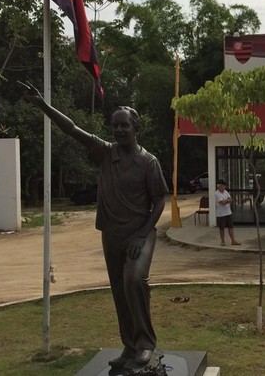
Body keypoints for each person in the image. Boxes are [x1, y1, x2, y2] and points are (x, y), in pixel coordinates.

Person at [24, 86, 167, 371]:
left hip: (140, 233)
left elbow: (161, 200)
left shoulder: (148, 162)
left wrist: (142, 233)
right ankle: (129, 345)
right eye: (115, 125)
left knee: (133, 281)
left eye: (124, 125)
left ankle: (146, 343)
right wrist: (44, 106)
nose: (119, 130)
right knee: (118, 289)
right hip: (111, 233)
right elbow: (72, 129)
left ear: (135, 127)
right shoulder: (105, 153)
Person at [215, 179, 241, 246]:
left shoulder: (226, 192)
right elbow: (222, 202)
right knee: (222, 228)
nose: (224, 187)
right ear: (219, 186)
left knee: (230, 227)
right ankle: (223, 241)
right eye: (223, 185)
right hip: (221, 214)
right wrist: (228, 200)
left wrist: (227, 200)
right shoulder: (217, 194)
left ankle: (233, 240)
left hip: (228, 212)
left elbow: (231, 199)